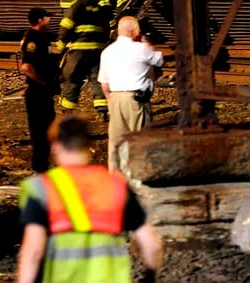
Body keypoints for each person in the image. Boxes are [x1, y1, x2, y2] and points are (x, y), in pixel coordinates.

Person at [16, 115, 163, 283]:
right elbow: (152, 244)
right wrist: (150, 275)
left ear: (56, 146)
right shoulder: (115, 185)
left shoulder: (43, 187)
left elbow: (33, 250)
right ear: (89, 146)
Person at [98, 16, 164, 171]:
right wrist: (148, 44)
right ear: (136, 31)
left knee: (116, 142)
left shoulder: (107, 52)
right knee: (140, 140)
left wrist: (110, 99)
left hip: (114, 98)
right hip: (136, 100)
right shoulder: (141, 49)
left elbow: (104, 84)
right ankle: (139, 175)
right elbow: (160, 61)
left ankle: (116, 180)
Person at [58, 0, 110, 121]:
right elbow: (106, 29)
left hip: (79, 52)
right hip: (96, 52)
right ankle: (102, 111)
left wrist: (61, 43)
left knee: (73, 79)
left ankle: (68, 111)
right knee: (97, 81)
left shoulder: (76, 6)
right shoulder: (99, 8)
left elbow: (66, 26)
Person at [20, 8, 59, 173]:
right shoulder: (33, 39)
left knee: (48, 128)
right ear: (39, 20)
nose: (50, 20)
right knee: (39, 131)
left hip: (45, 92)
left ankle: (44, 165)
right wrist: (42, 82)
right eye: (47, 17)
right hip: (37, 92)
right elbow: (26, 66)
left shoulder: (43, 38)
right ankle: (39, 167)